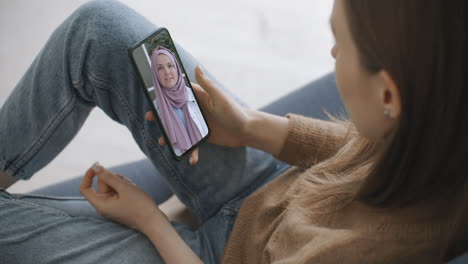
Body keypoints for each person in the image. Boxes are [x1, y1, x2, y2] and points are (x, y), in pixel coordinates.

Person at [0, 0, 467, 263]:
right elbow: (358, 145)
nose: (330, 55)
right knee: (100, 29)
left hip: (209, 256)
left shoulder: (357, 254)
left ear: (388, 97)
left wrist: (151, 219)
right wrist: (249, 127)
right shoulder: (439, 124)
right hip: (262, 187)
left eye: (339, 44)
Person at [150, 46, 208, 156]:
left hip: (208, 145)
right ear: (155, 74)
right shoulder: (156, 106)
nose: (167, 72)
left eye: (170, 65)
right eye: (160, 68)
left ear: (176, 67)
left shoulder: (194, 93)